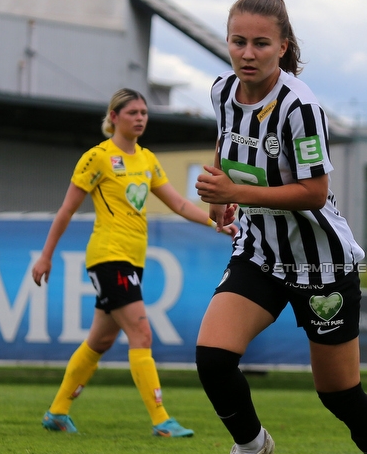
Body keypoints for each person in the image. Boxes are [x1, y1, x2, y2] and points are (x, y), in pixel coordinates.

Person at [193, 0, 367, 454]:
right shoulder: (222, 91)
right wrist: (222, 194)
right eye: (238, 41)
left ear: (283, 46)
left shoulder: (300, 107)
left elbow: (314, 192)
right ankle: (250, 447)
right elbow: (230, 151)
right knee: (212, 356)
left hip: (321, 265)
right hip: (261, 253)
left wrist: (238, 195)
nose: (247, 53)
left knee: (338, 393)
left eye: (261, 43)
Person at [32, 88, 234, 436]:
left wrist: (215, 223)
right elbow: (66, 210)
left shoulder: (147, 159)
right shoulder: (97, 157)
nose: (140, 118)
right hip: (109, 257)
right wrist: (46, 256)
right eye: (132, 112)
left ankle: (57, 412)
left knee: (100, 341)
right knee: (141, 332)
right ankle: (161, 421)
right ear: (114, 118)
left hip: (131, 260)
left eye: (144, 112)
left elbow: (179, 204)